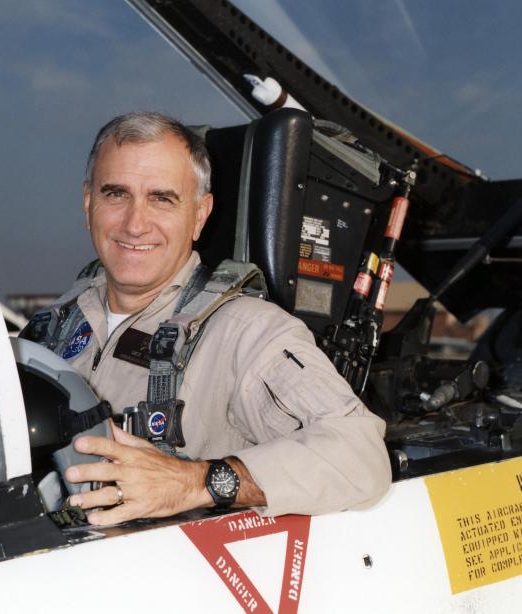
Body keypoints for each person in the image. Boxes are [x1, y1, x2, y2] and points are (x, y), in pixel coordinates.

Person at [31, 111, 391, 525]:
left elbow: (360, 454)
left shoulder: (245, 332)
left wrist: (195, 482)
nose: (135, 223)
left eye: (162, 198)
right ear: (88, 202)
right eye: (116, 194)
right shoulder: (55, 324)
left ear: (200, 215)